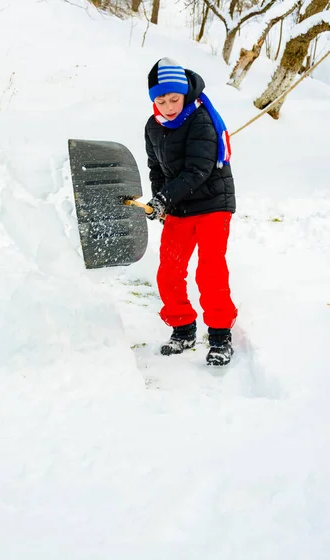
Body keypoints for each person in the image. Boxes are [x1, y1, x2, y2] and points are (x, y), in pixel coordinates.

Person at [144, 57, 238, 366]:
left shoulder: (200, 120)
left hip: (213, 203)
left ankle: (220, 335)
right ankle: (182, 328)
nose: (168, 106)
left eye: (174, 98)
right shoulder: (153, 127)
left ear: (185, 94)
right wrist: (160, 200)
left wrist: (164, 199)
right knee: (168, 270)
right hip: (179, 205)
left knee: (209, 270)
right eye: (161, 99)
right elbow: (156, 168)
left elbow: (198, 170)